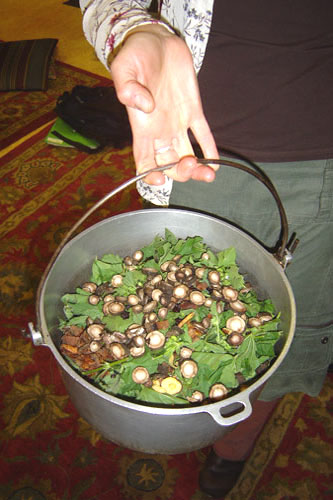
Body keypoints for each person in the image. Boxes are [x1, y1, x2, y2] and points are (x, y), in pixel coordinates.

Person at [79, 1, 333, 497]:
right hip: (177, 138)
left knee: (278, 340)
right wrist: (130, 26)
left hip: (313, 146)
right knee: (173, 282)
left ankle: (231, 449)